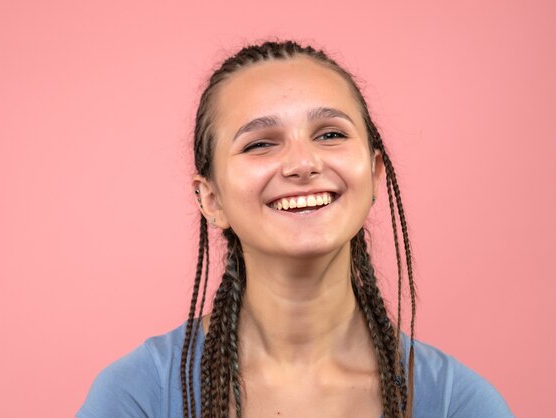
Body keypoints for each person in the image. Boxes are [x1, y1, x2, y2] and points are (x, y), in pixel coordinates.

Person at [76, 40, 513, 418]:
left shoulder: (456, 402)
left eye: (330, 135)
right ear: (210, 199)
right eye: (260, 143)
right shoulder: (136, 396)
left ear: (375, 175)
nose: (304, 164)